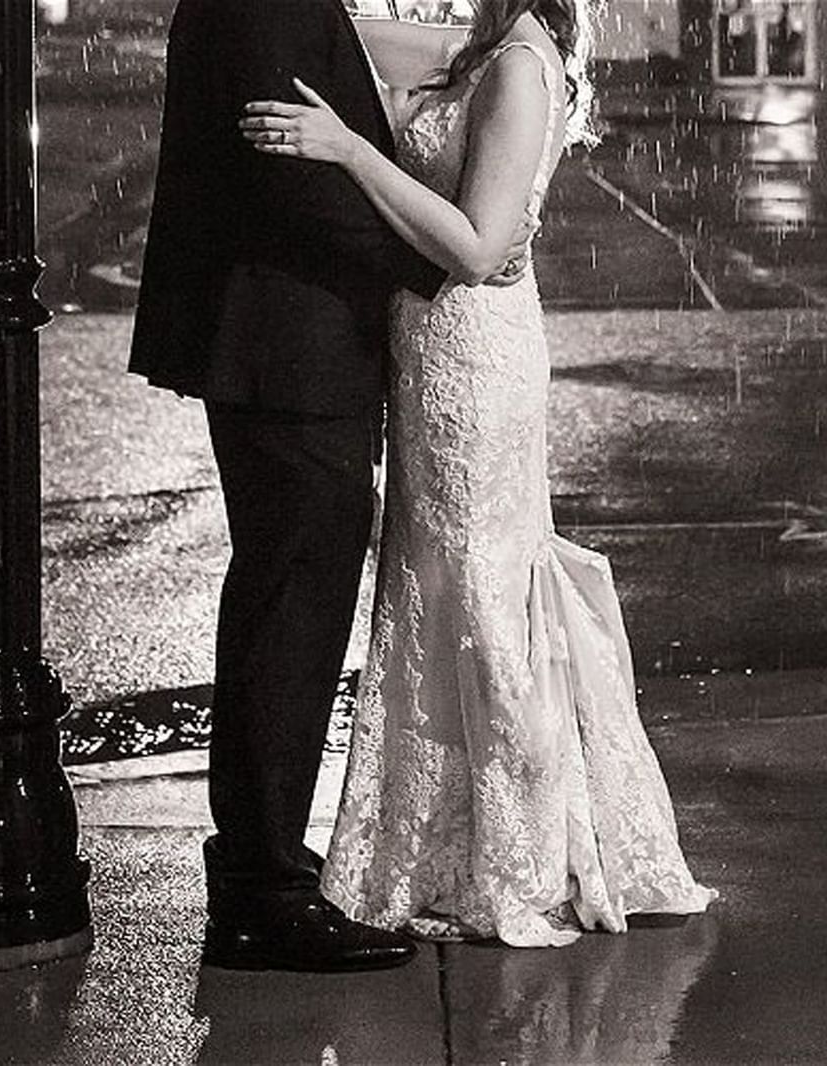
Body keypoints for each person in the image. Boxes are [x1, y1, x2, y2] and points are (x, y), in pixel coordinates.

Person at [241, 0, 718, 947]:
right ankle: (432, 842)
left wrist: (351, 150)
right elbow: (382, 56)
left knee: (482, 590)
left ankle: (514, 847)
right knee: (434, 591)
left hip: (475, 357)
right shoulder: (486, 50)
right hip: (428, 349)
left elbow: (477, 245)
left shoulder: (518, 66)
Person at [128, 0, 530, 971]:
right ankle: (261, 892)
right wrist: (439, 262)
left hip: (288, 344)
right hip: (286, 346)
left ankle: (263, 860)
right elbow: (287, 183)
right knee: (292, 602)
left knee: (290, 595)